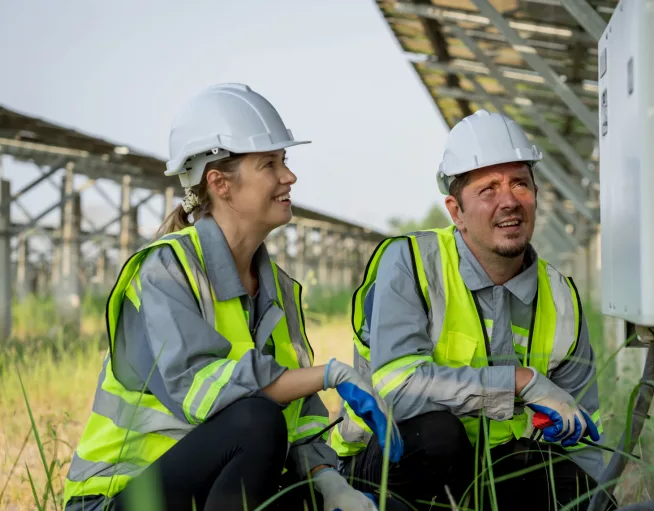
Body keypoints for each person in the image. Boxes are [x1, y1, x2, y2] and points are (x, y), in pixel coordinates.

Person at [62, 83, 405, 511]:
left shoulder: (276, 288)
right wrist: (327, 375)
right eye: (269, 164)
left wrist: (328, 482)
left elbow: (296, 421)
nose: (289, 176)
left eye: (285, 161)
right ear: (220, 183)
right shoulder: (164, 272)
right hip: (121, 498)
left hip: (214, 488)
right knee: (255, 421)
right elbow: (206, 394)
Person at [329, 110, 609, 510]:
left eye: (520, 184)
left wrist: (591, 496)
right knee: (438, 434)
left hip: (491, 468)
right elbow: (399, 389)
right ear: (456, 211)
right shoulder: (411, 263)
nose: (509, 201)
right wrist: (521, 382)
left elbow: (582, 432)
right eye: (488, 189)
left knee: (566, 480)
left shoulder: (560, 296)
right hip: (390, 458)